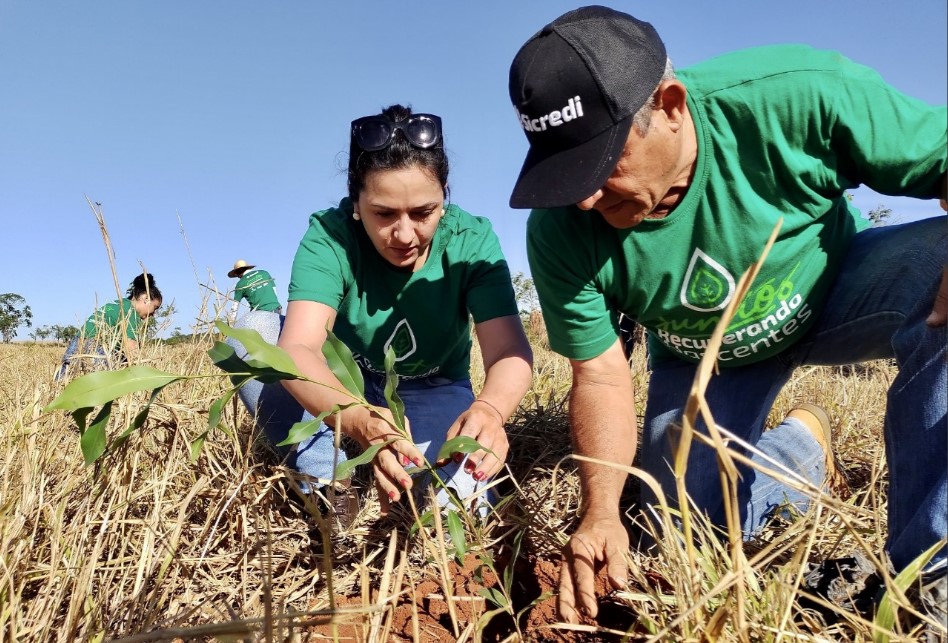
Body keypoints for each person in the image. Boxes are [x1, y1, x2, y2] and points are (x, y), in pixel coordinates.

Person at [506, 5, 946, 624]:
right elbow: (601, 375)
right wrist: (600, 510)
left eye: (602, 165)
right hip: (704, 357)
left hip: (834, 285)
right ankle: (798, 449)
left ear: (672, 105)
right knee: (678, 535)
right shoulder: (560, 231)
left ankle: (930, 585)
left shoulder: (794, 96)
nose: (584, 197)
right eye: (567, 173)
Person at [229, 104, 532, 527]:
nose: (405, 235)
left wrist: (491, 411)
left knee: (453, 511)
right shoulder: (330, 237)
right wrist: (357, 418)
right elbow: (299, 347)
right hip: (342, 382)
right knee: (248, 340)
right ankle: (327, 478)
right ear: (356, 204)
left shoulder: (471, 239)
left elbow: (508, 351)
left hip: (431, 386)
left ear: (444, 195)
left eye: (423, 213)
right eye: (384, 214)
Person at [56, 273, 163, 380]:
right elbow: (132, 350)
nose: (154, 314)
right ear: (146, 298)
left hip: (77, 342)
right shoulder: (131, 313)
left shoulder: (118, 303)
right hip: (96, 349)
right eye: (155, 307)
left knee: (64, 381)